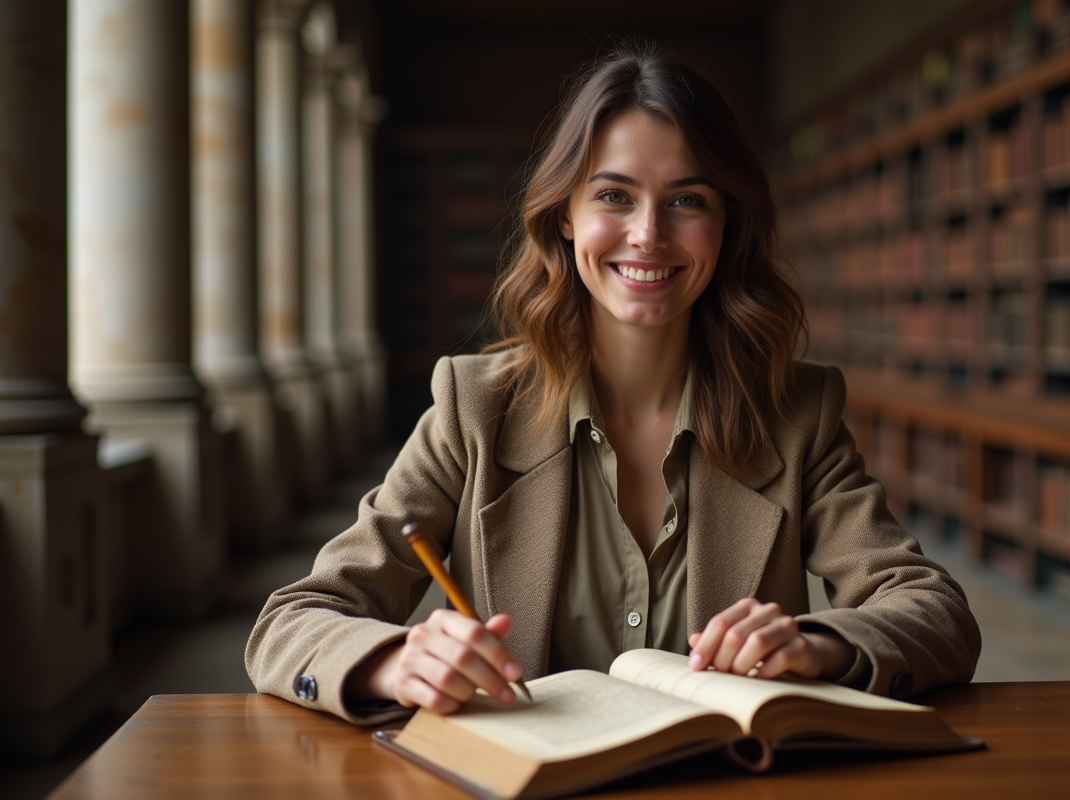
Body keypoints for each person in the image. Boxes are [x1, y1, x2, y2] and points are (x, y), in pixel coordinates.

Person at [245, 45, 981, 724]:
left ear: (727, 225)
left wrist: (819, 646)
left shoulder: (795, 413)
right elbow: (290, 623)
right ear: (565, 216)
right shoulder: (475, 409)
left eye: (688, 200)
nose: (648, 234)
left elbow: (935, 611)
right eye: (614, 196)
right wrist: (396, 661)